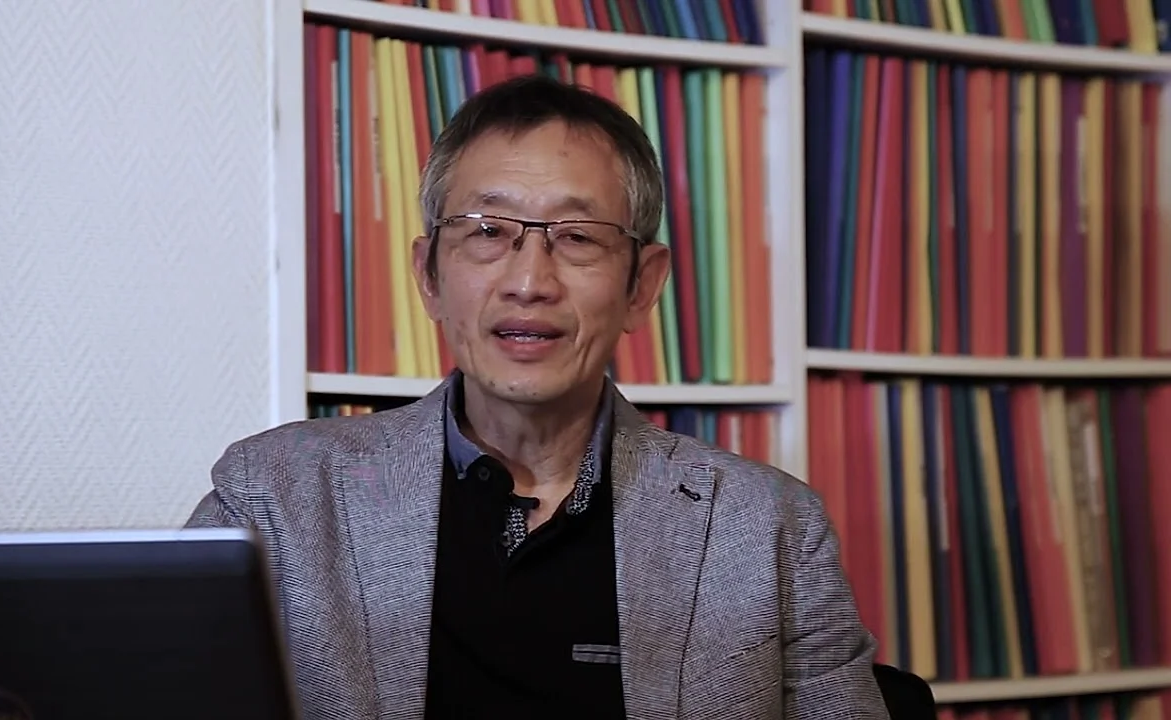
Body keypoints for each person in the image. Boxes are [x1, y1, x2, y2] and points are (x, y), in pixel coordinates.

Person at [187, 74, 889, 719]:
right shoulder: (271, 501)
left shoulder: (772, 530)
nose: (530, 282)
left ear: (641, 287)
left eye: (578, 237)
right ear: (429, 277)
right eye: (488, 232)